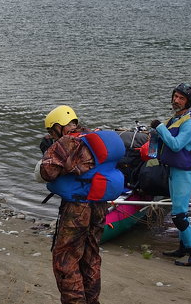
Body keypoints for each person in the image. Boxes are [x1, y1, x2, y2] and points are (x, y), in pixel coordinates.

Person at [39, 106, 118, 304]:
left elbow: (46, 172)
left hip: (77, 208)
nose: (51, 135)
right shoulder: (91, 137)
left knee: (65, 260)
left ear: (59, 126)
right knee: (91, 257)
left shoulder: (67, 142)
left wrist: (51, 151)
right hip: (99, 205)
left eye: (51, 131)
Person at [149, 82, 191, 266]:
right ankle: (182, 248)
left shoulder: (190, 124)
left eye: (181, 98)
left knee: (179, 215)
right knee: (179, 212)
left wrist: (159, 127)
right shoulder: (175, 120)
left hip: (185, 173)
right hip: (174, 171)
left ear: (188, 102)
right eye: (175, 96)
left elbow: (175, 145)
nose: (176, 100)